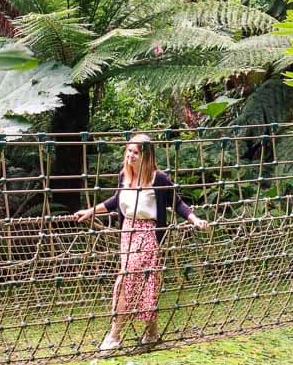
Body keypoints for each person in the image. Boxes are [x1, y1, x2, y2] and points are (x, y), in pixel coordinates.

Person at [74, 133, 210, 352]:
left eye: (135, 152)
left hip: (147, 234)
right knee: (146, 281)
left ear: (146, 155)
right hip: (127, 232)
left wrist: (195, 220)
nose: (130, 156)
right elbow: (115, 202)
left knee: (128, 279)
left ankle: (114, 335)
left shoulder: (159, 179)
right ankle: (152, 334)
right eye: (128, 151)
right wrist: (90, 211)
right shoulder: (124, 177)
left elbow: (178, 203)